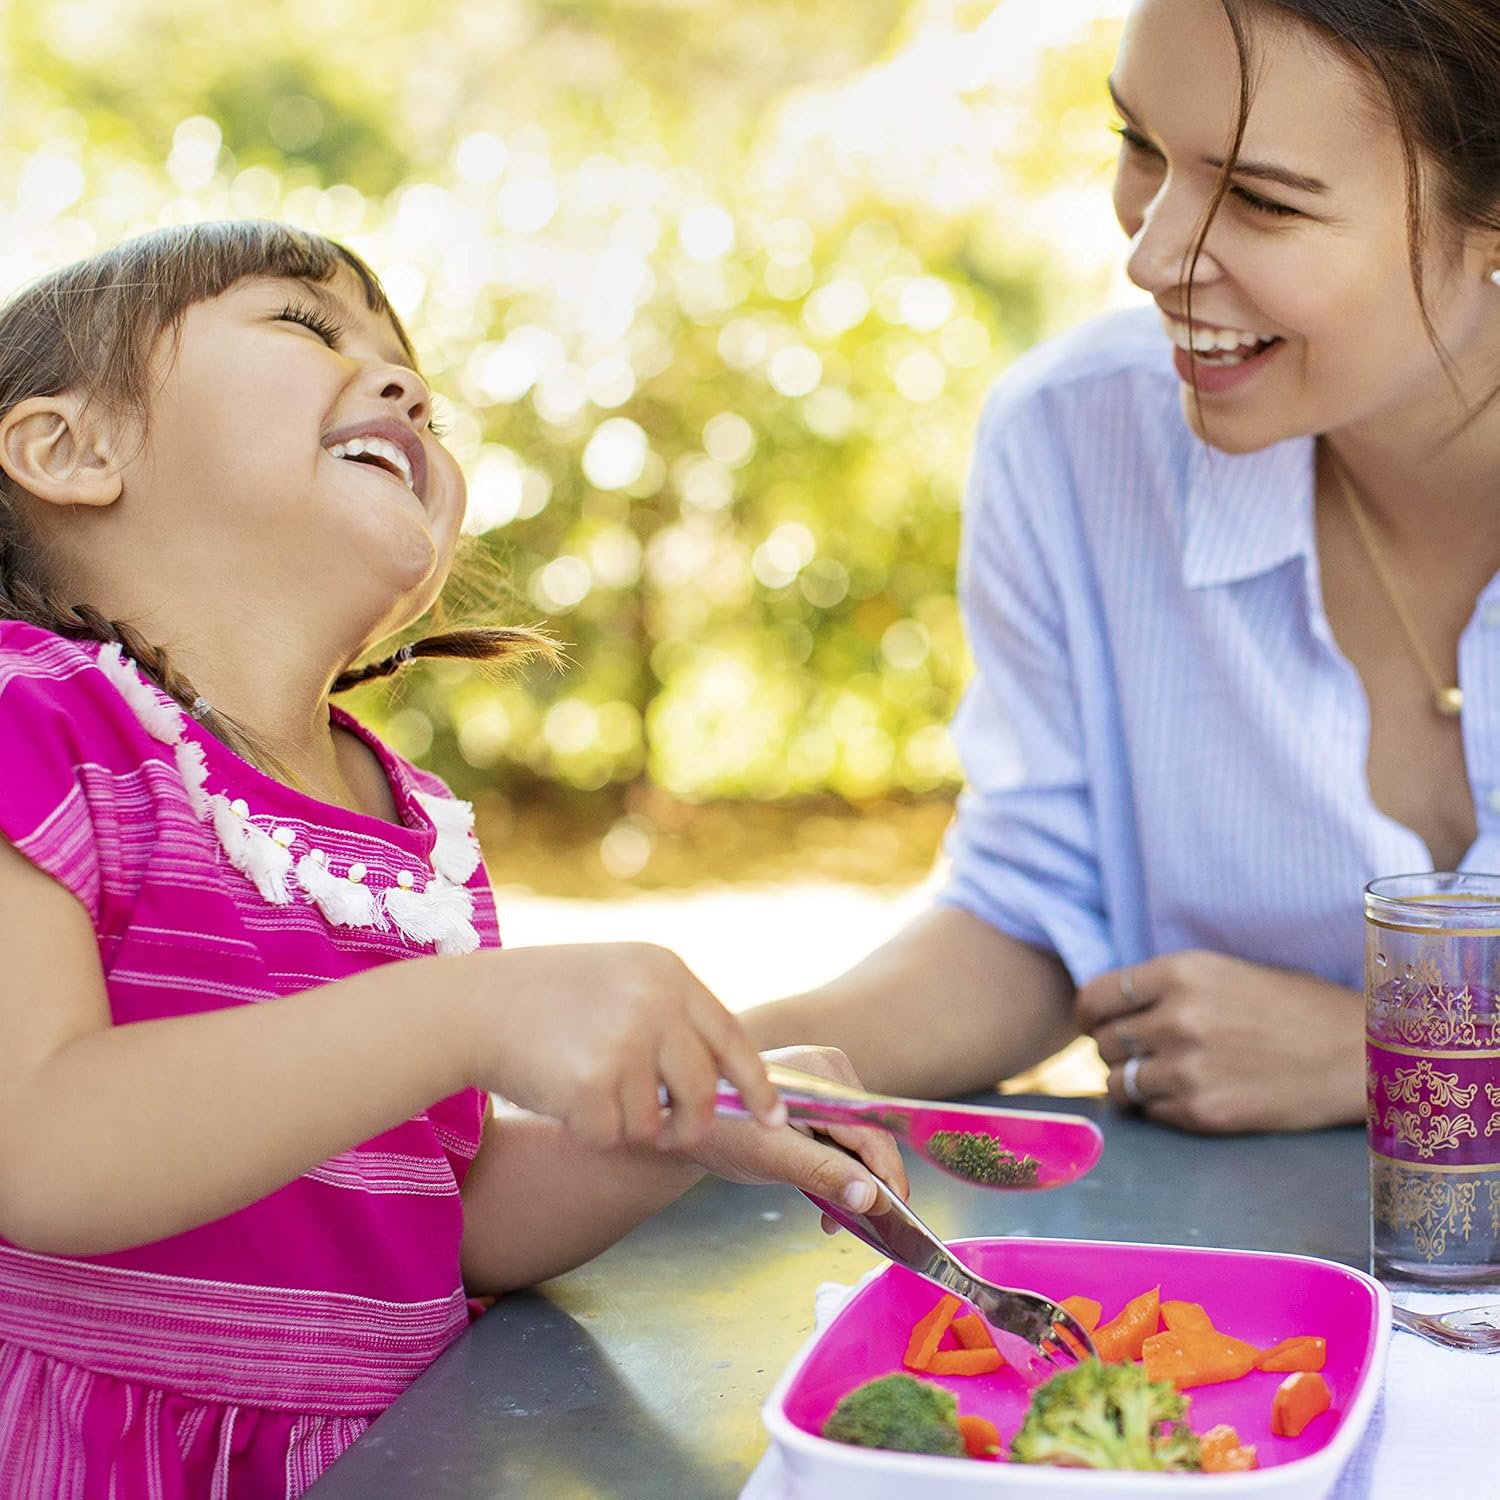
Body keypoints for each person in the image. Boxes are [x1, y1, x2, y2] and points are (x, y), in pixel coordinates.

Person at [0, 220, 906, 1498]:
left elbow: (438, 1212)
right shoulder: (29, 722)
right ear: (70, 449)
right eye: (307, 328)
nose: (405, 386)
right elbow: (39, 1146)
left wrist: (664, 1135)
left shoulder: (407, 822)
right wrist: (472, 1012)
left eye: (411, 369)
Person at [747, 0, 1500, 1136]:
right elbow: (1039, 917)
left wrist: (1393, 1056)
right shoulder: (1075, 438)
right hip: (1252, 1284)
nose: (1151, 256)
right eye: (1141, 146)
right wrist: (696, 1065)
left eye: (1260, 199)